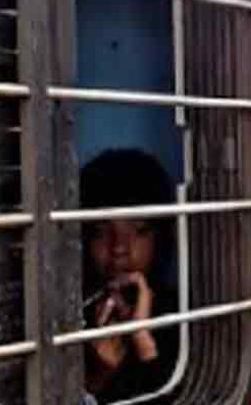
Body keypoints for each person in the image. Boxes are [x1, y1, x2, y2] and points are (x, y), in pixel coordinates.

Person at [81, 149, 179, 402]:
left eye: (138, 230)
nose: (118, 248)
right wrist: (99, 374)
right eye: (101, 231)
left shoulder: (184, 316)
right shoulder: (73, 316)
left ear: (160, 237)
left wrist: (143, 341)